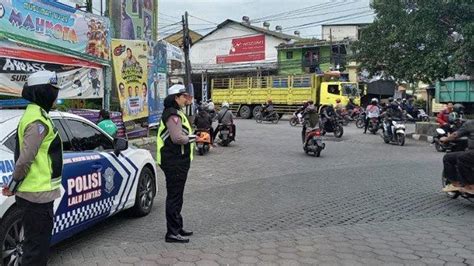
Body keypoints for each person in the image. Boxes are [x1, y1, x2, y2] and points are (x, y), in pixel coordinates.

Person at [2, 71, 63, 266]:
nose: (57, 96)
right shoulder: (37, 121)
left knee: (35, 246)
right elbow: (25, 159)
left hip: (37, 195)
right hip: (37, 196)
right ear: (43, 92)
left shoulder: (37, 115)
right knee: (36, 251)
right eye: (54, 91)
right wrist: (13, 184)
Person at [156, 84, 196, 243]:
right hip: (174, 162)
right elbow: (177, 138)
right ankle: (172, 233)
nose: (186, 99)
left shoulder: (176, 113)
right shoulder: (173, 115)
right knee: (174, 197)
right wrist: (194, 138)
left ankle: (177, 227)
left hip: (177, 161)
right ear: (176, 98)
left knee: (177, 196)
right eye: (183, 96)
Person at [441, 119, 474, 193]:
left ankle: (468, 185)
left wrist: (446, 139)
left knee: (456, 158)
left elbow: (455, 135)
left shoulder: (470, 123)